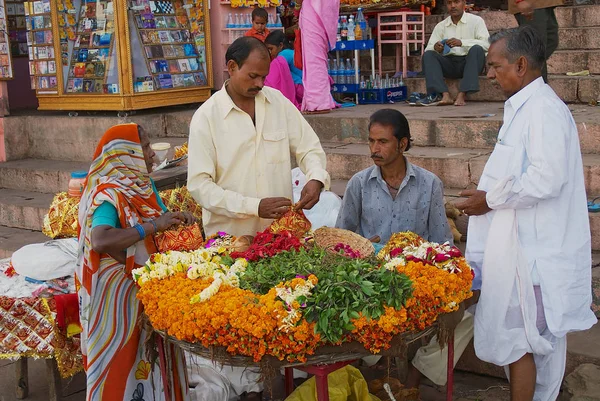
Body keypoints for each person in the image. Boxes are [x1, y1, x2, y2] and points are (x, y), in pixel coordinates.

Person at [456, 26, 597, 401]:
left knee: (523, 343)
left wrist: (490, 199)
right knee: (524, 343)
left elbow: (545, 179)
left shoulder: (544, 110)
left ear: (521, 64)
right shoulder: (525, 107)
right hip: (521, 250)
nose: (489, 75)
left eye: (494, 66)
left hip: (535, 256)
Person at [187, 36, 329, 400]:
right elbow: (200, 187)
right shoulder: (206, 118)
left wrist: (315, 178)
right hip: (230, 245)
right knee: (243, 333)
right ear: (230, 68)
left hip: (279, 240)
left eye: (264, 76)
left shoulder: (277, 103)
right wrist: (254, 206)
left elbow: (310, 148)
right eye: (252, 76)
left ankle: (284, 386)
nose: (259, 83)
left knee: (282, 321)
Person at [336, 109, 474, 393]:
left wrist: (439, 267)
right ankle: (375, 371)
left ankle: (413, 379)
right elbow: (341, 241)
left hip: (415, 281)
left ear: (403, 143)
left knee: (465, 318)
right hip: (370, 282)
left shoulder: (429, 184)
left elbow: (443, 242)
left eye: (383, 142)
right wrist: (362, 246)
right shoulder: (359, 184)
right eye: (372, 141)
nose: (375, 149)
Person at [76, 123, 194, 400]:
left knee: (152, 360)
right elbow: (101, 239)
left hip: (143, 286)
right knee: (123, 362)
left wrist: (174, 220)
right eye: (144, 148)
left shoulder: (140, 185)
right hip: (117, 299)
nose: (152, 154)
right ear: (124, 154)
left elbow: (153, 219)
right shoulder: (109, 193)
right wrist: (153, 226)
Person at [418, 0, 489, 106]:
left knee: (477, 49)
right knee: (428, 55)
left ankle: (462, 94)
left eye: (456, 2)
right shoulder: (441, 26)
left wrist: (462, 43)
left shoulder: (476, 21)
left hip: (470, 63)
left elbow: (487, 44)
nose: (453, 6)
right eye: (449, 3)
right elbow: (429, 49)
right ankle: (445, 95)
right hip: (450, 64)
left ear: (464, 3)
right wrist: (437, 48)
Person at [299, 0, 339, 113]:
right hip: (320, 10)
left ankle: (319, 102)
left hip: (314, 11)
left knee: (314, 59)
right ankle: (320, 100)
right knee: (317, 58)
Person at [508, 0, 561, 83]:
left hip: (545, 4)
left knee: (551, 42)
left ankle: (520, 71)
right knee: (536, 50)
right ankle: (537, 89)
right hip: (531, 4)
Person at [264, 30, 301, 108]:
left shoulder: (283, 55)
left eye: (271, 49)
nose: (269, 52)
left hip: (301, 86)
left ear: (280, 45)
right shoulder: (291, 52)